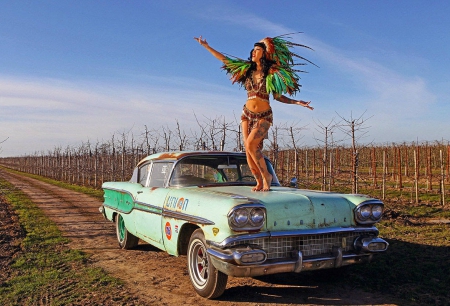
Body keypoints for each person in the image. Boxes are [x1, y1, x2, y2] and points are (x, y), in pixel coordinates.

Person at [194, 34, 314, 191]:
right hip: (247, 114)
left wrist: (297, 102)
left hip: (264, 116)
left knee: (251, 144)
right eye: (253, 50)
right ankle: (258, 180)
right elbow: (225, 60)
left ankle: (267, 177)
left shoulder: (271, 73)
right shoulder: (247, 70)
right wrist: (206, 46)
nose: (253, 52)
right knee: (248, 149)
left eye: (257, 50)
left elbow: (278, 97)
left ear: (264, 53)